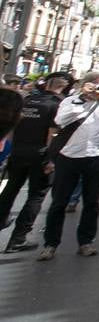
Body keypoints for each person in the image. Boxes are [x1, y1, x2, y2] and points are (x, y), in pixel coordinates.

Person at [38, 72, 99, 261]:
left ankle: (86, 241)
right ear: (84, 85)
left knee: (91, 201)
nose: (98, 89)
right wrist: (82, 100)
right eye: (94, 85)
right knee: (59, 202)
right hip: (69, 155)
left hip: (96, 155)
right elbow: (61, 120)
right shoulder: (71, 101)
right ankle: (50, 243)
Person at [1, 74, 70, 253]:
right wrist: (50, 158)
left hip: (18, 151)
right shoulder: (56, 105)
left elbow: (12, 127)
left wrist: (11, 150)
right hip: (39, 154)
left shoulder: (27, 100)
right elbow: (52, 134)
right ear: (63, 88)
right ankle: (18, 239)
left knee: (10, 190)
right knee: (36, 196)